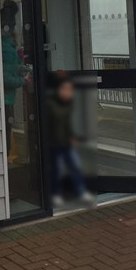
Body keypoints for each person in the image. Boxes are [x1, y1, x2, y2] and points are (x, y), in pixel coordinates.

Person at [46, 71, 94, 207]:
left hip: (66, 141)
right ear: (57, 89)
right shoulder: (49, 103)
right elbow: (54, 121)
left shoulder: (67, 103)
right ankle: (55, 194)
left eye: (70, 90)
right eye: (65, 89)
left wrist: (72, 136)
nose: (69, 93)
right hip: (54, 143)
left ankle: (81, 191)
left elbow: (67, 123)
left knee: (75, 166)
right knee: (56, 169)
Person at [0, 1, 25, 153]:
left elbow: (11, 67)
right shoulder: (7, 47)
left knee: (7, 130)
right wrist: (23, 80)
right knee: (6, 132)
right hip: (6, 98)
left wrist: (21, 65)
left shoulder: (7, 45)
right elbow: (6, 77)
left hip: (6, 98)